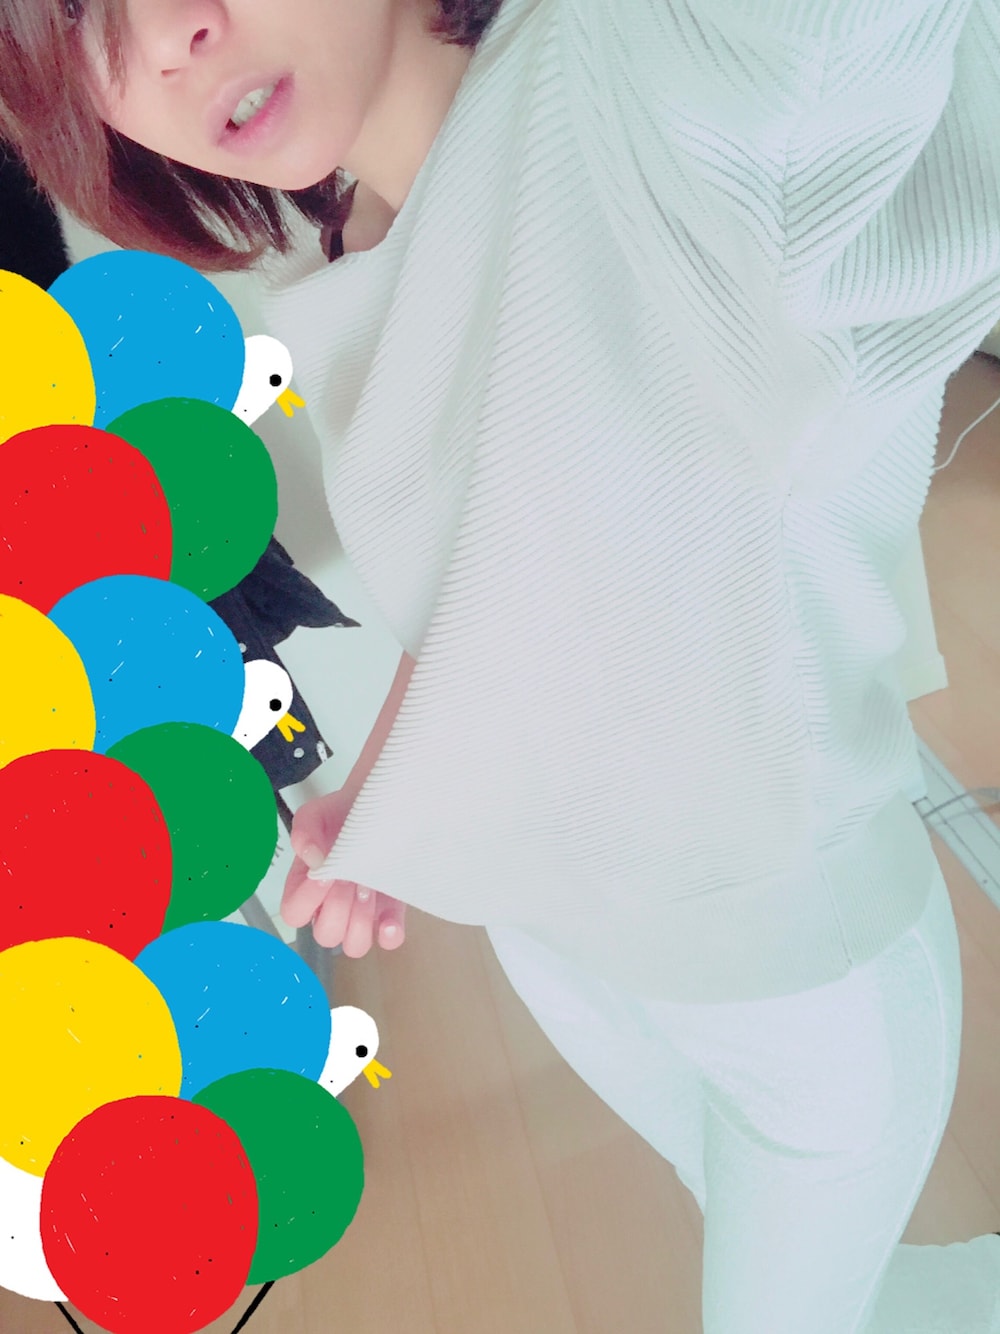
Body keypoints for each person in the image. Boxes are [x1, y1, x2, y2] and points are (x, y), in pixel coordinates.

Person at [2, 1, 999, 1329]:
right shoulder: (367, 228)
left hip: (793, 984)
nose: (174, 29)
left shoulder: (644, 85)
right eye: (75, 18)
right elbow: (498, 588)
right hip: (570, 943)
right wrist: (393, 794)